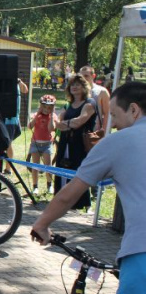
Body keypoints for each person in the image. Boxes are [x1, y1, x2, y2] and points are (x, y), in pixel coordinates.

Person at [31, 81, 146, 294]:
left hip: (142, 252)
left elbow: (69, 195)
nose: (113, 123)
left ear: (134, 110)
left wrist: (41, 223)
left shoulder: (120, 141)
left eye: (117, 115)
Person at [53, 73, 97, 210]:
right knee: (61, 168)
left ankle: (81, 203)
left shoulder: (89, 103)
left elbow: (80, 121)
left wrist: (65, 124)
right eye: (72, 85)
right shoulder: (69, 105)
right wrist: (67, 124)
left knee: (78, 171)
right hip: (65, 142)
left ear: (84, 87)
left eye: (78, 84)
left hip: (80, 144)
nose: (74, 87)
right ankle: (61, 200)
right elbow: (57, 123)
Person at [28, 95, 58, 195]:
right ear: (40, 106)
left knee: (48, 166)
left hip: (47, 144)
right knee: (35, 166)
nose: (46, 109)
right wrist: (37, 114)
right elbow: (30, 126)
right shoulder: (36, 115)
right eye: (44, 107)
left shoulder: (52, 116)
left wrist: (52, 114)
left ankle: (49, 185)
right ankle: (35, 186)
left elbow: (51, 129)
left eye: (49, 108)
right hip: (35, 144)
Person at [2, 78, 29, 173]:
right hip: (1, 117)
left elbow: (25, 90)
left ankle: (8, 169)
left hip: (11, 119)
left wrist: (19, 82)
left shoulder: (16, 81)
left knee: (8, 144)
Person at [80, 65, 110, 132]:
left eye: (86, 76)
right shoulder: (76, 91)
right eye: (81, 76)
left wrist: (104, 132)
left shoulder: (101, 91)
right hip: (78, 130)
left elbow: (107, 113)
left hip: (95, 131)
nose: (83, 78)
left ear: (93, 76)